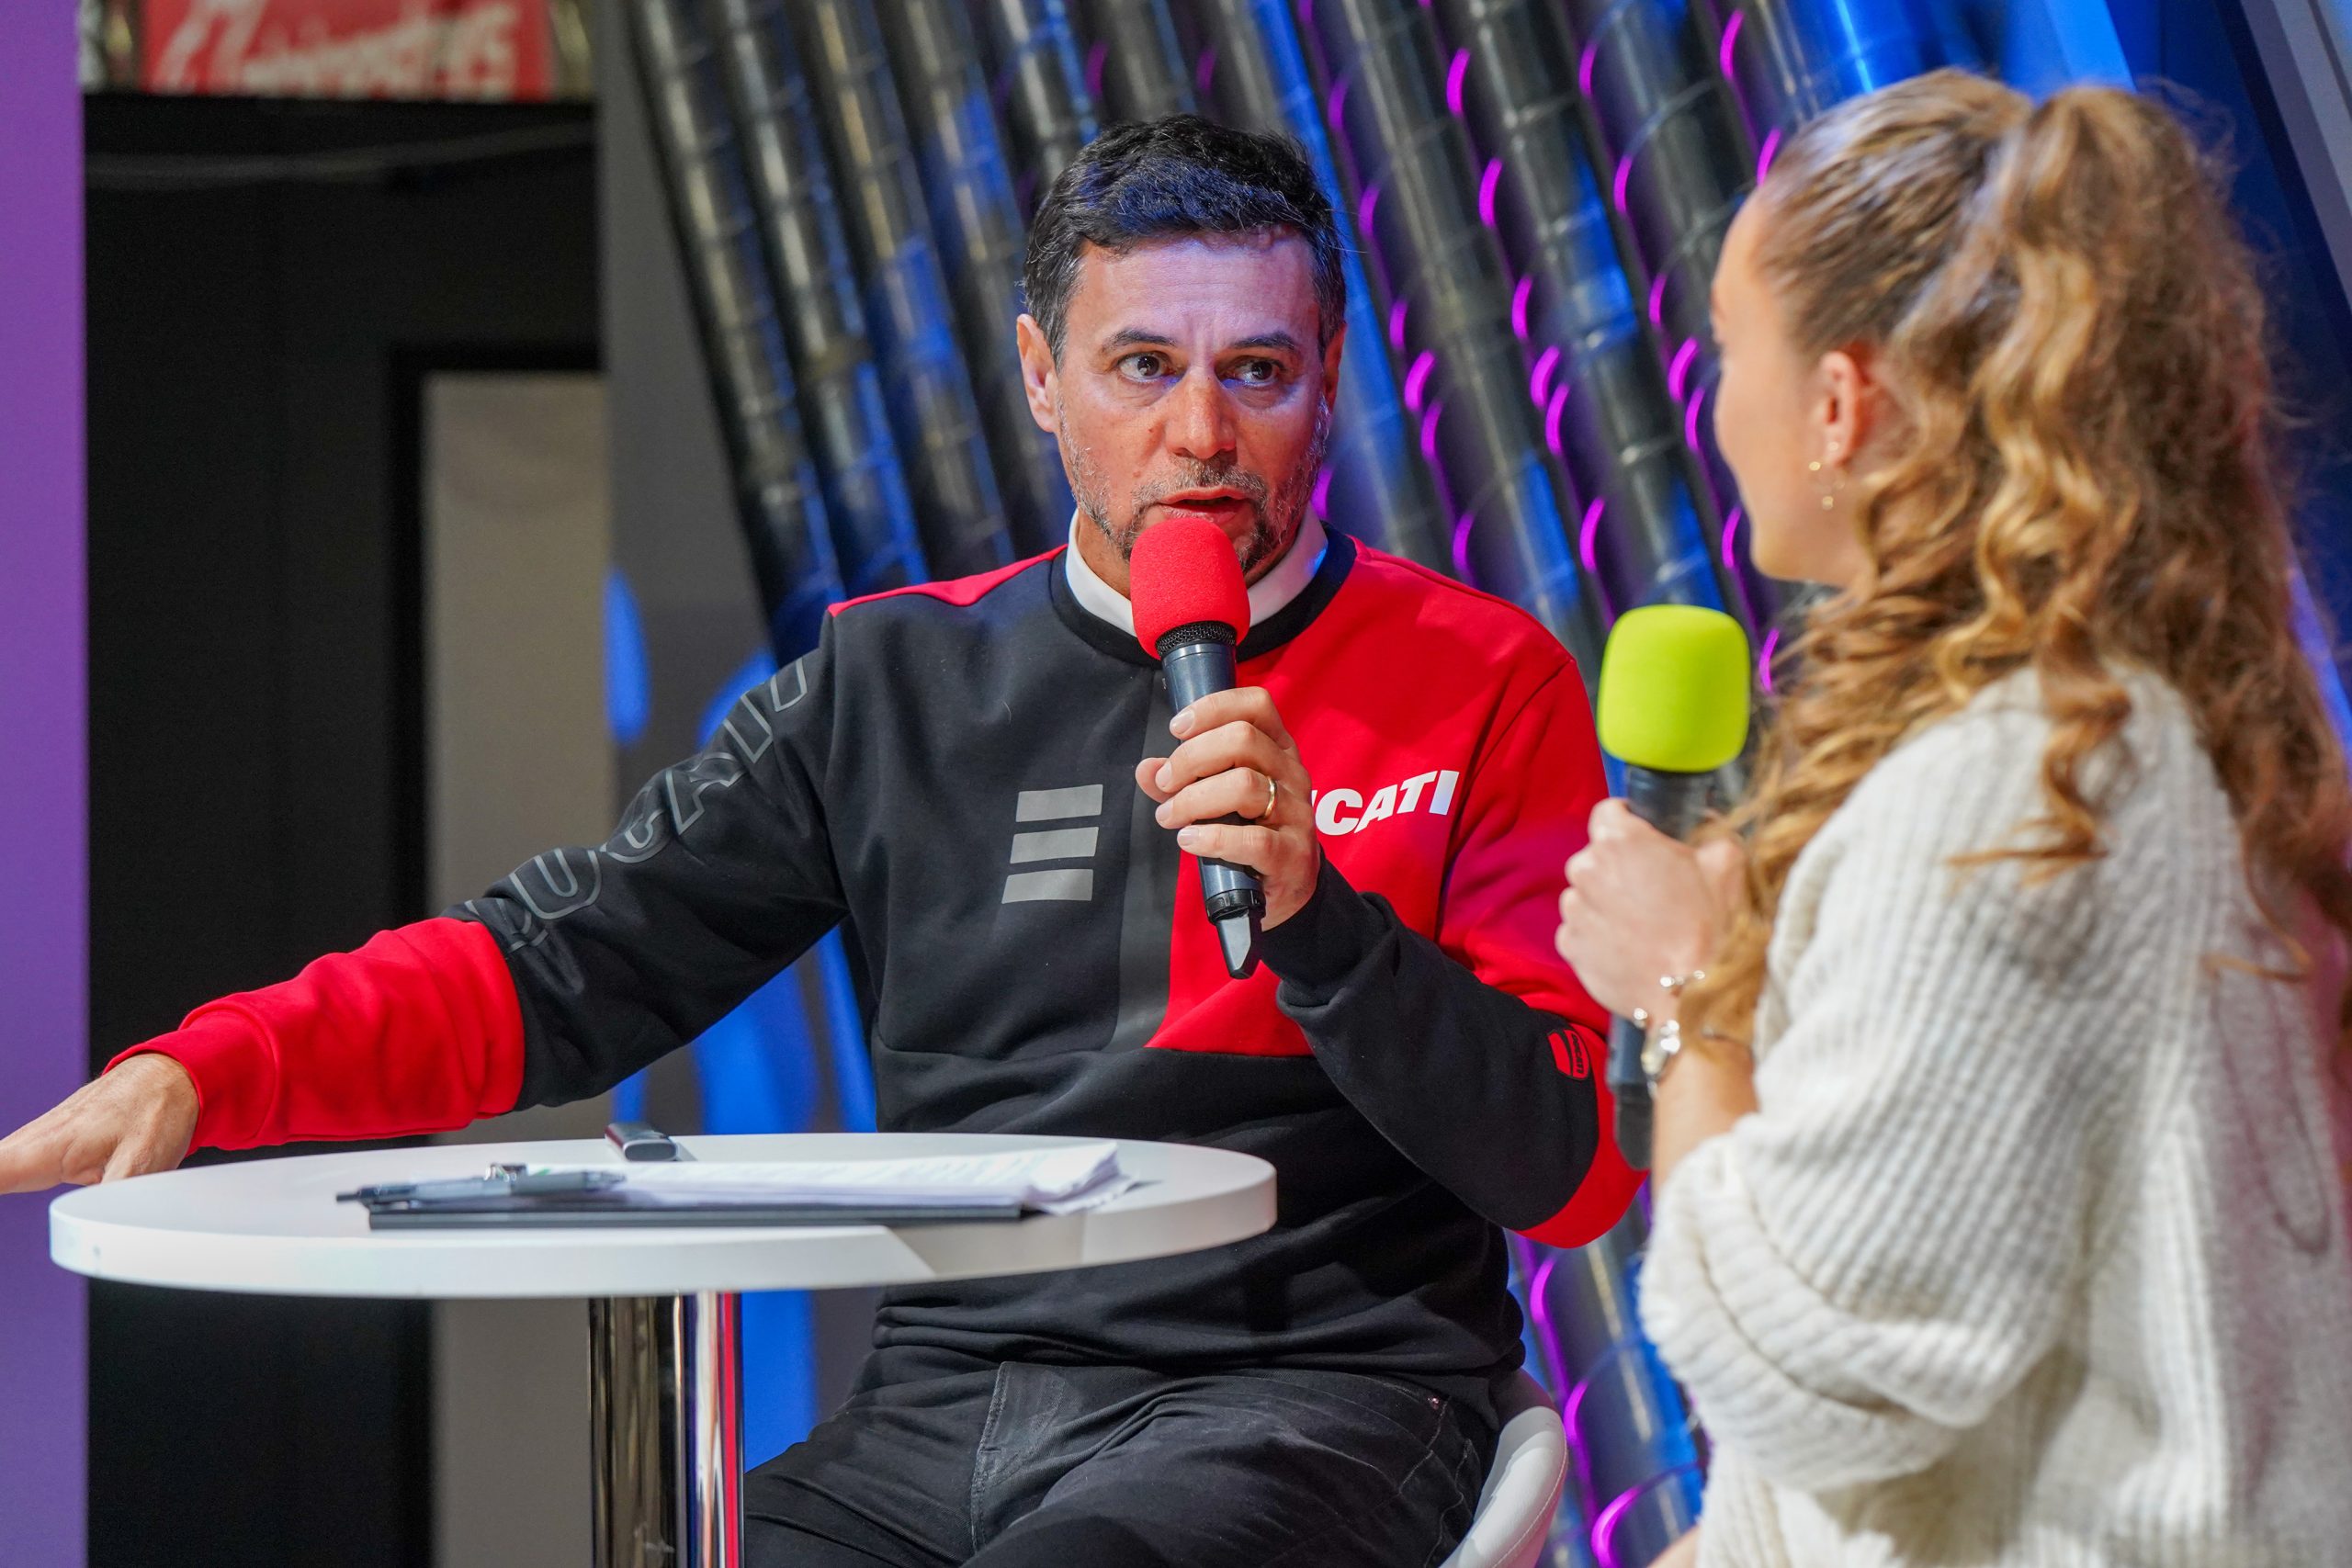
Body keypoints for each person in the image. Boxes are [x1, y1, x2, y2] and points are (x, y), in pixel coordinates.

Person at [1, 117, 1643, 1566]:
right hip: (949, 1401)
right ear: (1040, 377)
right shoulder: (893, 678)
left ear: (1330, 380)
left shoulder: (1484, 677)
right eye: (1144, 367)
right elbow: (575, 959)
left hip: (1314, 1393)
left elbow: (1565, 1172)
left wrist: (1319, 920)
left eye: (1257, 373)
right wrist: (213, 1071)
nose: (1202, 433)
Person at [1556, 71, 2352, 1567]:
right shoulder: (2094, 730)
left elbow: (1821, 1371)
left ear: (1839, 403)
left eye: (1726, 349)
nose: (1713, 408)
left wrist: (1685, 998)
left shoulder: (2013, 788)